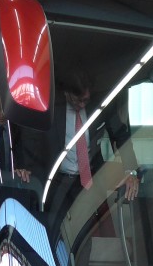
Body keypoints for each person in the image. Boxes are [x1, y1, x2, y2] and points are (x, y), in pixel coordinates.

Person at [17, 74, 139, 230]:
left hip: (88, 181)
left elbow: (121, 135)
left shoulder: (100, 104)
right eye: (77, 100)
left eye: (85, 100)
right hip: (56, 181)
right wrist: (24, 165)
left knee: (84, 233)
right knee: (54, 229)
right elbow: (29, 135)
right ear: (66, 93)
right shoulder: (50, 106)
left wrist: (130, 171)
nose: (81, 104)